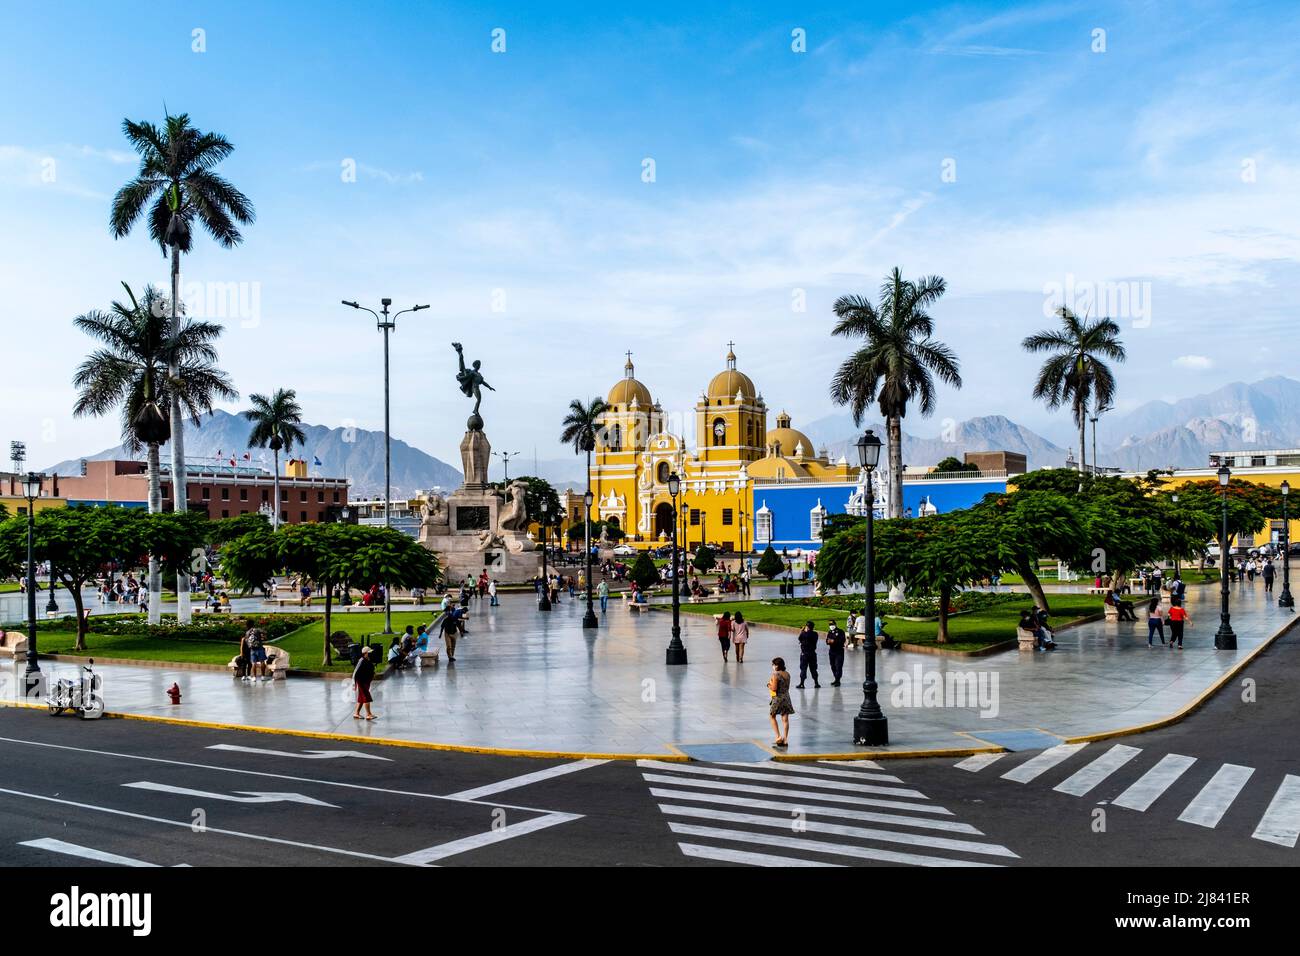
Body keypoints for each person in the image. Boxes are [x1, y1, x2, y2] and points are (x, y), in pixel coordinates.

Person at [768, 657, 794, 747]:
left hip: (777, 698)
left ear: (777, 665)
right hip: (786, 697)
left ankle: (778, 736)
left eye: (773, 665)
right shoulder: (787, 674)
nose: (773, 666)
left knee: (772, 716)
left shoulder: (775, 675)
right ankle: (785, 739)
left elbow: (774, 688)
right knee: (785, 719)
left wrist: (769, 685)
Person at [352, 645, 377, 720]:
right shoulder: (361, 660)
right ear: (365, 653)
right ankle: (368, 714)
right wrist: (354, 683)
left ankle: (356, 713)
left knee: (361, 698)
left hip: (366, 682)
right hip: (361, 682)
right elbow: (355, 672)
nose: (370, 654)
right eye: (369, 652)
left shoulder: (367, 659)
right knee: (366, 697)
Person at [796, 621, 820, 689]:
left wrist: (802, 631)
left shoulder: (804, 634)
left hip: (804, 654)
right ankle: (816, 683)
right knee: (814, 669)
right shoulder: (815, 634)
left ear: (807, 626)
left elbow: (799, 638)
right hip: (812, 654)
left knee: (803, 669)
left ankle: (802, 684)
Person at [825, 619, 847, 686]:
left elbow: (842, 640)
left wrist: (834, 641)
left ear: (835, 624)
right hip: (832, 651)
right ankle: (836, 678)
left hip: (839, 651)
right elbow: (827, 640)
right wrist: (828, 642)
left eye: (832, 625)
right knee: (833, 666)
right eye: (830, 625)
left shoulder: (840, 632)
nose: (831, 626)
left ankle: (838, 680)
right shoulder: (830, 632)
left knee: (838, 666)